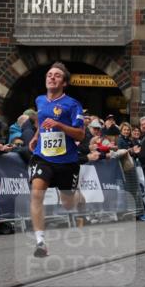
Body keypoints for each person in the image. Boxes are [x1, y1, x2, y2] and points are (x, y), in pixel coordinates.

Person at [27, 62, 86, 257]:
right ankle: (40, 242)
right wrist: (36, 136)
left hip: (67, 161)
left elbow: (80, 135)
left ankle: (78, 197)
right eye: (49, 75)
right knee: (37, 194)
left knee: (68, 204)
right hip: (43, 157)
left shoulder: (73, 104)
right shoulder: (40, 100)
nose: (52, 77)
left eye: (57, 75)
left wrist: (60, 126)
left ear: (64, 83)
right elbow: (43, 122)